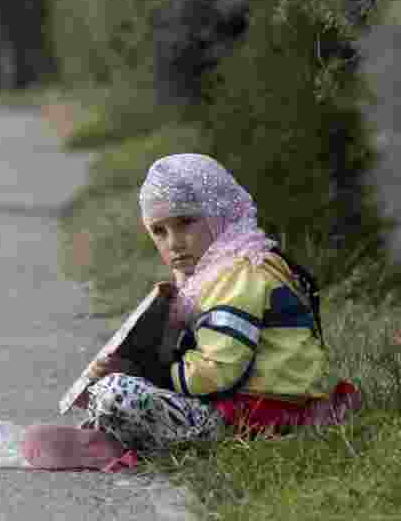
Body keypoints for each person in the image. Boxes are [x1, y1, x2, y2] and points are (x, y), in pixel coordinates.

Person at [21, 153, 361, 469]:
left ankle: (116, 444)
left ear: (219, 214)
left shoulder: (240, 274)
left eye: (185, 223)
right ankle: (109, 435)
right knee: (112, 388)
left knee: (120, 393)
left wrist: (152, 373)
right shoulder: (217, 272)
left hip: (261, 414)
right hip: (241, 404)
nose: (174, 243)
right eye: (159, 231)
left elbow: (219, 368)